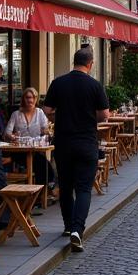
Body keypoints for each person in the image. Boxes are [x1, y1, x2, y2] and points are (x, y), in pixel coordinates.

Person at [44, 46, 109, 253]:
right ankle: (77, 230)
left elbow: (46, 110)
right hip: (87, 142)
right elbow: (104, 115)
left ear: (74, 62)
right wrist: (90, 117)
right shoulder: (94, 85)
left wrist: (59, 118)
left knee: (65, 185)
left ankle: (67, 225)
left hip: (63, 142)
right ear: (90, 64)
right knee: (83, 188)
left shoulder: (58, 83)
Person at [4, 87, 52, 187]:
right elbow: (6, 134)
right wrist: (12, 136)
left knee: (41, 163)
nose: (30, 100)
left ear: (36, 99)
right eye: (27, 97)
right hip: (20, 151)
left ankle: (40, 191)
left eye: (33, 97)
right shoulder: (16, 114)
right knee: (42, 164)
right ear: (23, 99)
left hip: (36, 150)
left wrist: (46, 131)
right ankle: (41, 191)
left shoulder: (39, 113)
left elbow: (46, 130)